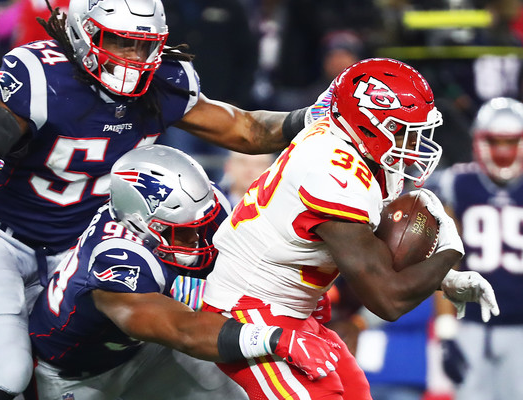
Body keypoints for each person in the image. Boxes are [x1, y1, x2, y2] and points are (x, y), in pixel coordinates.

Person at [0, 0, 329, 398]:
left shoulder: (164, 80)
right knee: (4, 371)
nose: (135, 58)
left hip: (75, 246)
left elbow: (245, 129)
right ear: (84, 32)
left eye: (145, 45)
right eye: (121, 42)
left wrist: (311, 118)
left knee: (43, 373)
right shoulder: (44, 75)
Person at [200, 58, 500, 399]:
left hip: (295, 311)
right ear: (369, 125)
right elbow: (387, 300)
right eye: (403, 130)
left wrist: (445, 279)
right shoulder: (330, 170)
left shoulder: (356, 148)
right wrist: (451, 249)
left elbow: (377, 252)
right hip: (252, 313)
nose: (415, 144)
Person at [26, 144, 339, 399]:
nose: (198, 239)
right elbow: (183, 330)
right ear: (141, 225)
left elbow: (246, 261)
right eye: (182, 232)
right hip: (73, 373)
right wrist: (273, 338)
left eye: (200, 226)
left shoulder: (203, 207)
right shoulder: (117, 258)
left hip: (143, 352)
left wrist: (291, 290)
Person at [430, 97, 523, 400]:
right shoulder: (457, 183)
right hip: (469, 324)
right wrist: (446, 332)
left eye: (511, 142)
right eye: (495, 141)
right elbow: (444, 261)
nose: (503, 151)